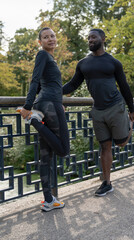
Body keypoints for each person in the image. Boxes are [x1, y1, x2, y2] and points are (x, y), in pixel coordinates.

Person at [63, 28, 134, 197]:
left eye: (93, 37)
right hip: (98, 111)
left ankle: (132, 118)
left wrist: (131, 108)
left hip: (116, 106)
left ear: (103, 39)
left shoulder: (113, 62)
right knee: (104, 146)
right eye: (88, 38)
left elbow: (124, 87)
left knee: (121, 143)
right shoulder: (83, 63)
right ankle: (106, 183)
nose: (90, 40)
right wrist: (53, 91)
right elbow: (72, 85)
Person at [19, 27, 70, 211]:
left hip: (48, 104)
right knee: (63, 149)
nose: (50, 39)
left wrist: (59, 101)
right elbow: (34, 80)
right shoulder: (42, 55)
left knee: (46, 157)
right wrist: (27, 106)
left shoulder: (50, 59)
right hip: (48, 105)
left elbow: (43, 84)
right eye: (45, 37)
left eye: (52, 36)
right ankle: (33, 120)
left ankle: (48, 200)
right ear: (40, 42)